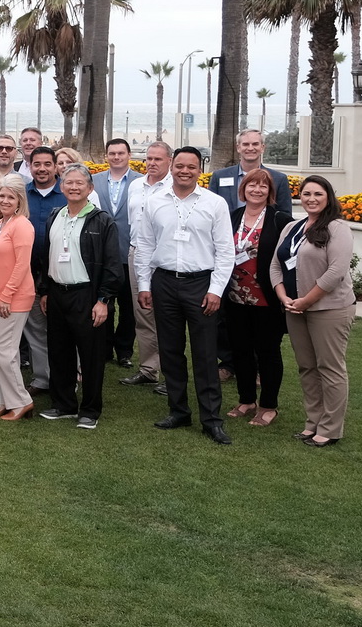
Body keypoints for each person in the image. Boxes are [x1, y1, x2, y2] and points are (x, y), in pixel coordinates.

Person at [133, 146, 236, 444]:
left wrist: (216, 290)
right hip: (164, 282)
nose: (184, 171)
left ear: (199, 170)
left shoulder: (214, 204)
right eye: (179, 165)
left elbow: (225, 252)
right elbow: (145, 246)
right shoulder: (154, 202)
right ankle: (178, 411)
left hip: (201, 284)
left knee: (205, 355)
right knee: (170, 351)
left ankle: (211, 420)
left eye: (191, 166)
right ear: (172, 167)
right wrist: (144, 285)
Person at [35, 163, 122, 428]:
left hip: (87, 295)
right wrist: (46, 291)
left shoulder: (102, 220)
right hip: (58, 294)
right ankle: (63, 405)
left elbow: (112, 265)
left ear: (90, 188)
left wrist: (103, 300)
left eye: (79, 183)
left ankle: (90, 410)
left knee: (91, 355)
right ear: (61, 187)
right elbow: (46, 256)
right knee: (59, 352)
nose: (73, 187)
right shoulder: (55, 215)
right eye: (69, 183)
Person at [274, 177, 356, 448]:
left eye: (318, 194)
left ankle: (330, 428)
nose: (311, 198)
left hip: (329, 309)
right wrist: (284, 297)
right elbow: (276, 265)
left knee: (330, 368)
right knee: (307, 367)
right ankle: (312, 423)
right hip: (295, 308)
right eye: (306, 193)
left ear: (328, 197)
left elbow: (336, 272)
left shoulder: (338, 228)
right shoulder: (291, 227)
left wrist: (306, 300)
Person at [223, 168, 288, 427]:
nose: (257, 190)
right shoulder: (233, 217)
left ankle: (268, 405)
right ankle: (246, 399)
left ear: (270, 192)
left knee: (268, 352)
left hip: (267, 299)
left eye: (263, 186)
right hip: (235, 297)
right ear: (244, 189)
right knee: (240, 350)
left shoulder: (279, 220)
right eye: (252, 185)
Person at [117, 141, 175, 390]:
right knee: (143, 314)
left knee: (169, 317)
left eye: (158, 159)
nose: (152, 163)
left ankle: (172, 375)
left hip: (165, 257)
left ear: (169, 161)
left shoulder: (175, 187)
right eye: (149, 158)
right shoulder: (136, 185)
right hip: (137, 254)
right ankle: (150, 369)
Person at [0, 175, 37, 420]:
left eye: (10, 197)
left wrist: (5, 296)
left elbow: (22, 266)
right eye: (2, 196)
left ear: (19, 201)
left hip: (14, 298)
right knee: (0, 350)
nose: (4, 200)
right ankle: (8, 401)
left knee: (3, 350)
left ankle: (22, 401)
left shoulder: (22, 225)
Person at [91, 139, 141, 370]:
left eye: (121, 153)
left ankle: (124, 351)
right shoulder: (95, 180)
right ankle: (104, 348)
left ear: (129, 155)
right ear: (106, 156)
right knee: (105, 304)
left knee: (129, 307)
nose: (116, 157)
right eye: (112, 153)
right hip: (102, 253)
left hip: (129, 251)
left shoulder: (140, 183)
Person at [22, 146, 65, 393]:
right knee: (35, 327)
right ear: (30, 166)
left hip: (59, 272)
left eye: (47, 164)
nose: (42, 169)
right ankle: (42, 378)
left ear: (55, 166)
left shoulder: (66, 193)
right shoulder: (23, 194)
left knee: (61, 327)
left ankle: (68, 375)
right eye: (37, 164)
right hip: (28, 270)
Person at [209, 128, 293, 218]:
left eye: (255, 144)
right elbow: (210, 209)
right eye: (245, 144)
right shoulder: (219, 177)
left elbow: (285, 216)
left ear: (262, 148)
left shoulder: (279, 179)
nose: (250, 148)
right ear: (238, 148)